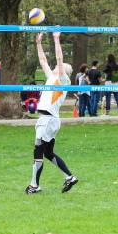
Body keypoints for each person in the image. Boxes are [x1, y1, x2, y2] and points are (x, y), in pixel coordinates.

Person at [25, 32, 78, 194]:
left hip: (48, 120)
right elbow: (43, 61)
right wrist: (38, 43)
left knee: (38, 150)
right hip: (47, 119)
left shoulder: (62, 80)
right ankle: (69, 177)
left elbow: (60, 60)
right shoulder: (51, 78)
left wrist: (56, 39)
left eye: (58, 67)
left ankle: (34, 185)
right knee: (48, 153)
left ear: (64, 72)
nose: (54, 66)